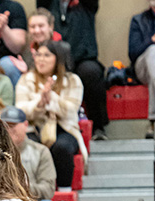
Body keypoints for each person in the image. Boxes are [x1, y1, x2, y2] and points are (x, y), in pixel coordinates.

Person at [16, 41, 86, 191]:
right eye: (38, 55)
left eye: (47, 55)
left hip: (65, 128)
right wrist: (40, 102)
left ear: (58, 58)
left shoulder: (73, 80)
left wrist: (52, 97)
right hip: (34, 128)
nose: (41, 59)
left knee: (62, 147)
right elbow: (21, 110)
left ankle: (64, 191)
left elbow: (71, 110)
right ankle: (28, 192)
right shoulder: (25, 79)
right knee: (26, 147)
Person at [37, 0, 108, 140]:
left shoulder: (86, 5)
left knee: (91, 72)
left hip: (83, 58)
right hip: (55, 60)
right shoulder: (49, 4)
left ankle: (98, 127)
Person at [3, 105, 59, 201]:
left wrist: (22, 186)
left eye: (12, 125)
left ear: (25, 125)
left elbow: (48, 189)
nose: (8, 130)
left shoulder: (40, 151)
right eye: (5, 126)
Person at [128, 0, 155, 138]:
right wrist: (154, 38)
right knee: (153, 52)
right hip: (144, 68)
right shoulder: (138, 20)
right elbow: (133, 54)